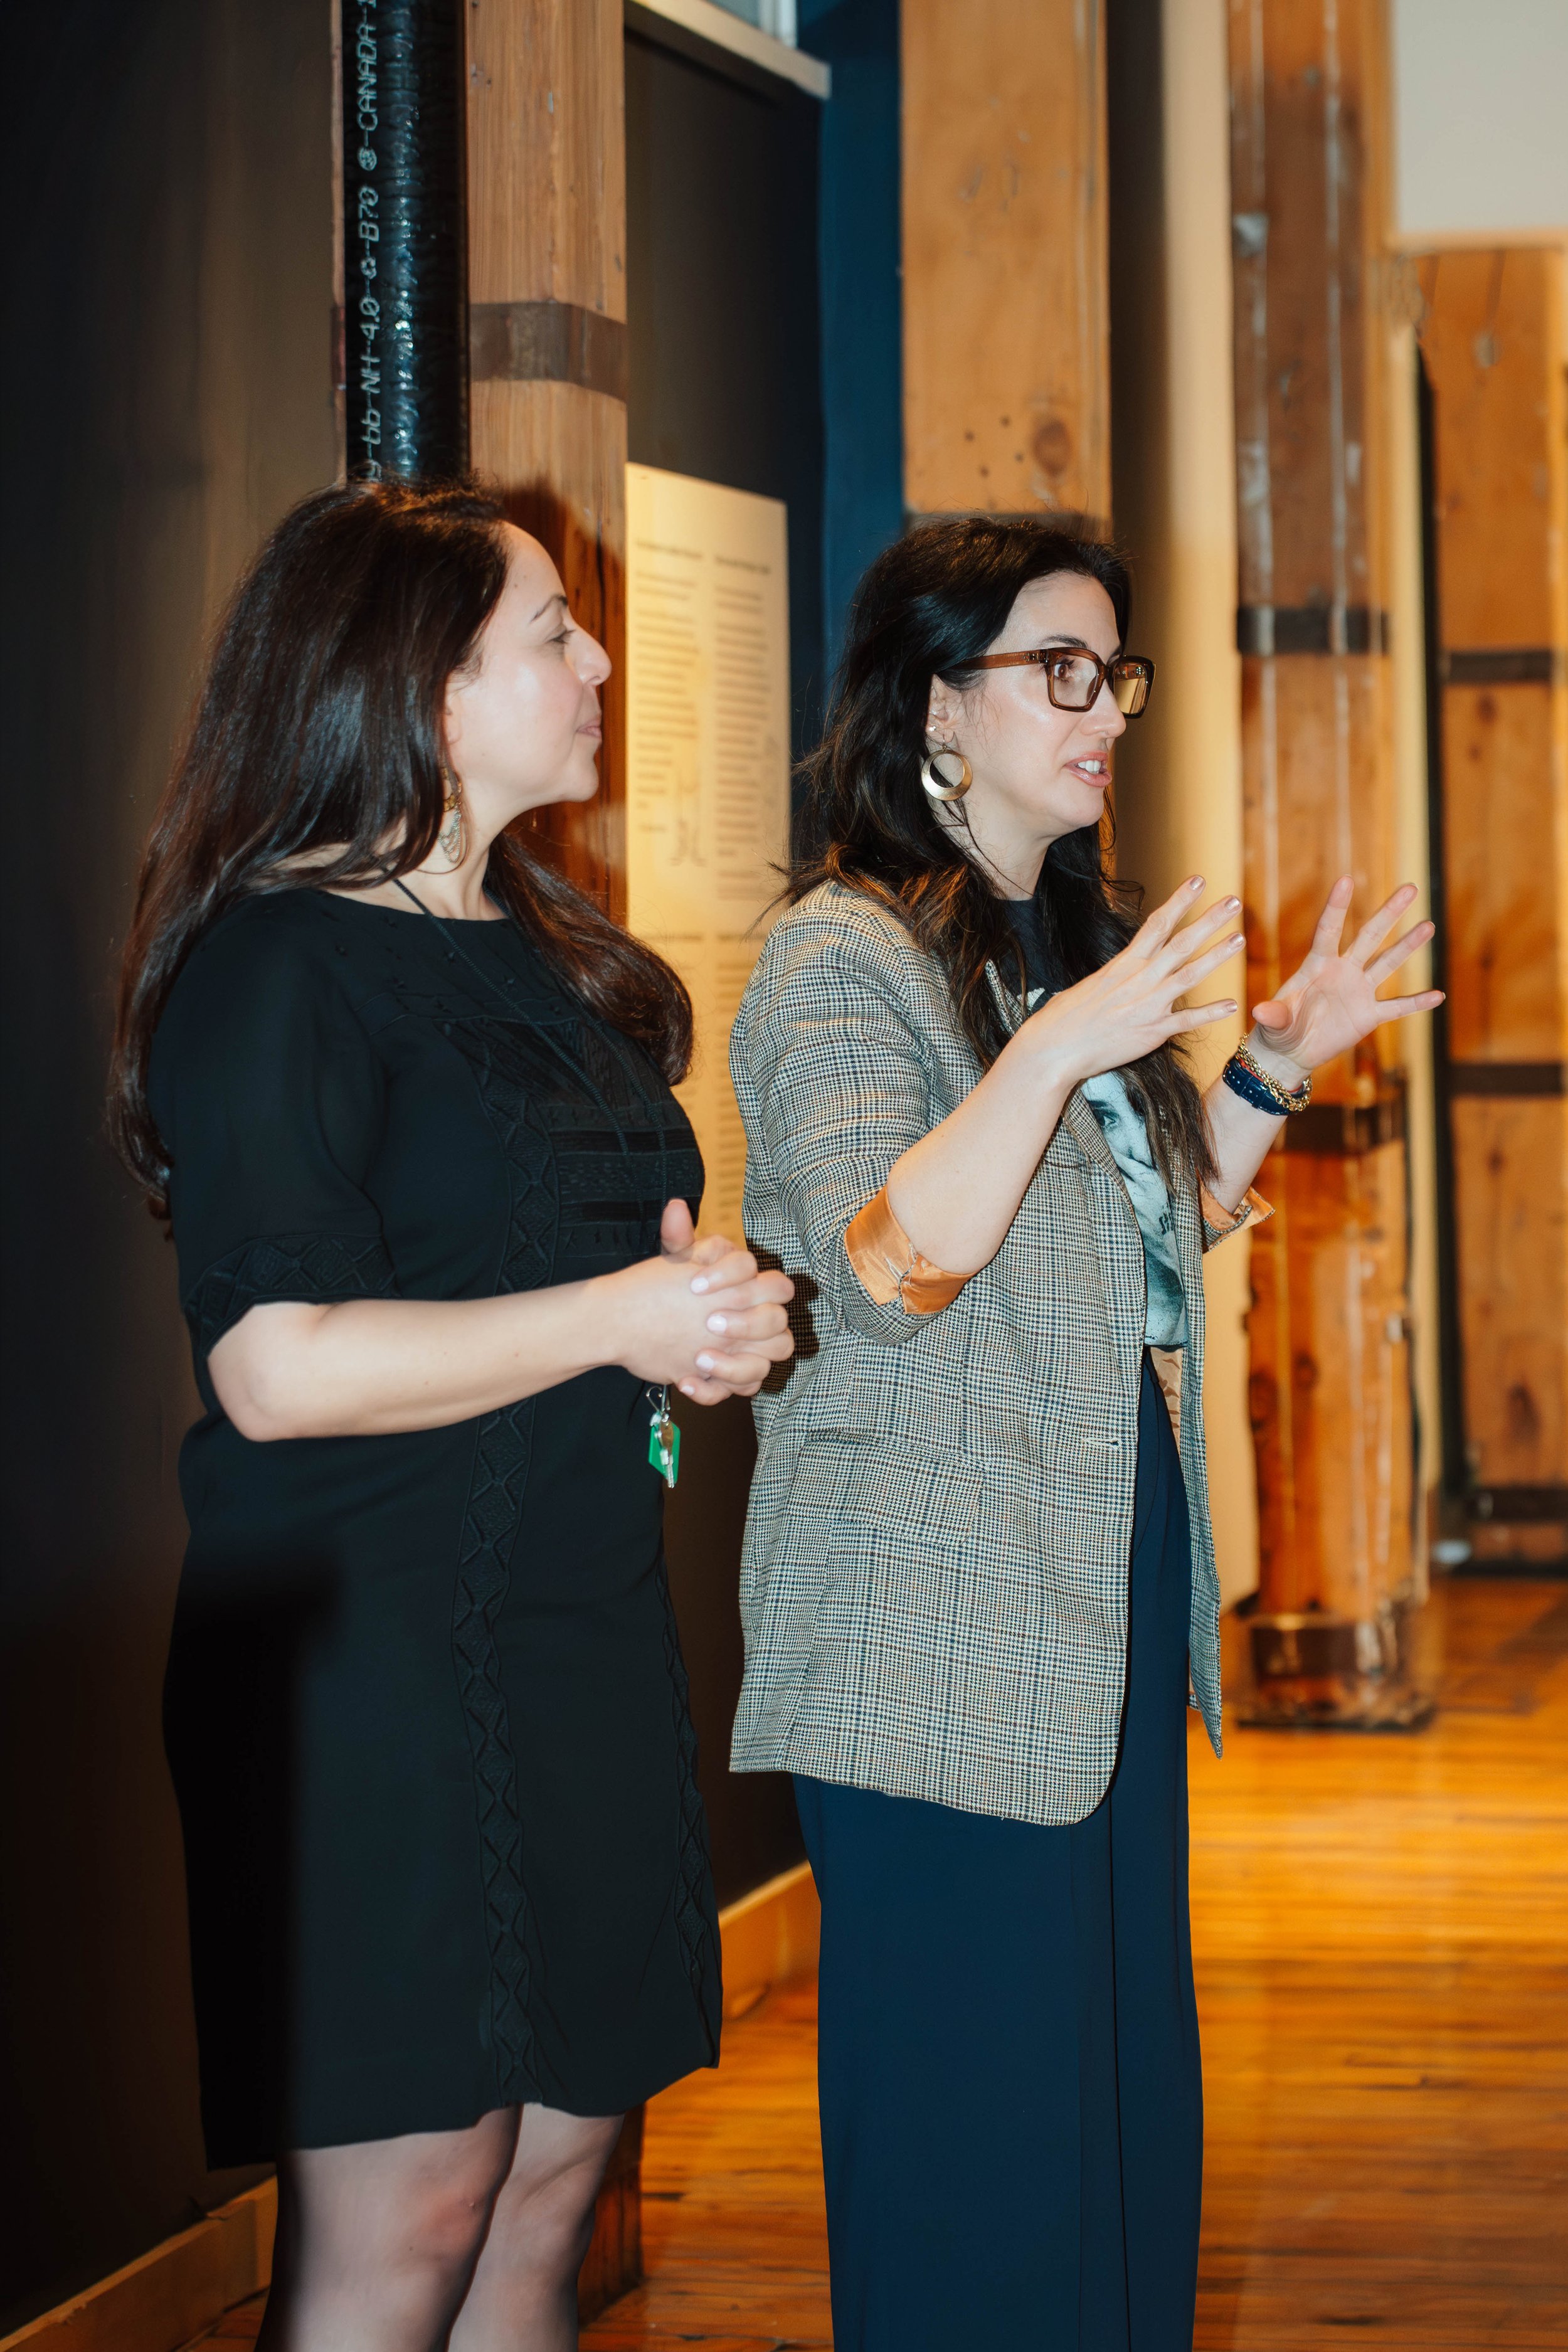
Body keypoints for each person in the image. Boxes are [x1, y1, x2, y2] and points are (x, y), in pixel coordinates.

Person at [727, 514, 1440, 2350]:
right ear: (931, 708)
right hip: (928, 1632)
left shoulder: (1056, 949)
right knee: (977, 2147)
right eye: (1058, 666)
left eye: (1108, 670)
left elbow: (1117, 1230)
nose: (1101, 705)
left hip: (1090, 1588)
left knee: (1111, 2107)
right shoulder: (837, 959)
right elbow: (891, 1259)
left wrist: (1272, 1065)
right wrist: (1052, 1052)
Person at [109, 479, 794, 2352]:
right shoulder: (271, 963)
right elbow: (272, 1364)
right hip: (372, 1668)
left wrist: (692, 1332)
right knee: (409, 2210)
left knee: (555, 2184)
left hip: (570, 1627)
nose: (595, 664)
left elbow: (574, 1291)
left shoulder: (542, 952)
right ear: (416, 688)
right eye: (549, 636)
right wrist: (616, 1313)